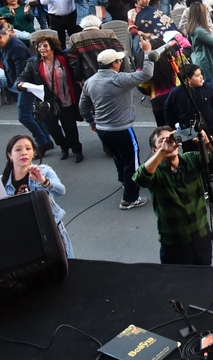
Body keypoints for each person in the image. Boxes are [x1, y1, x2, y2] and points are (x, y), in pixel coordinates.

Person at [134, 126, 213, 265]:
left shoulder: (191, 159)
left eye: (170, 139)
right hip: (173, 244)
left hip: (201, 237)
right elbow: (140, 178)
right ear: (154, 150)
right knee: (177, 278)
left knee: (204, 276)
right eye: (162, 141)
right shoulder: (156, 171)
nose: (168, 143)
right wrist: (163, 152)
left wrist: (207, 142)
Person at [79, 43, 154, 210]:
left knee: (118, 157)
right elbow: (147, 73)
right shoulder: (120, 79)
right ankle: (130, 198)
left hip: (102, 129)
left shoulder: (90, 82)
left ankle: (124, 181)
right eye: (119, 60)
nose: (120, 62)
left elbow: (83, 106)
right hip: (122, 129)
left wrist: (91, 122)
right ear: (114, 64)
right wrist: (148, 52)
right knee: (132, 162)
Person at [3, 134, 74, 257]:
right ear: (10, 155)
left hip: (50, 229)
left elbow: (61, 191)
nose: (24, 153)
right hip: (23, 235)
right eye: (18, 149)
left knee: (65, 264)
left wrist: (42, 181)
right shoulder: (2, 182)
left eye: (28, 149)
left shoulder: (44, 171)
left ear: (33, 153)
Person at [16, 35, 83, 163]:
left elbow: (76, 68)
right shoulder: (33, 63)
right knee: (53, 130)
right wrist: (19, 84)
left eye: (45, 46)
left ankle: (76, 150)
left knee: (70, 128)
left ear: (52, 47)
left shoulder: (63, 59)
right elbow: (23, 76)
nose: (42, 48)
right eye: (39, 46)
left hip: (66, 100)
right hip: (47, 104)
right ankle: (64, 147)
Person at [185, 2, 213, 130]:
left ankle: (209, 117)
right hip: (206, 63)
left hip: (200, 60)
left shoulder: (192, 28)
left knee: (208, 92)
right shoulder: (199, 30)